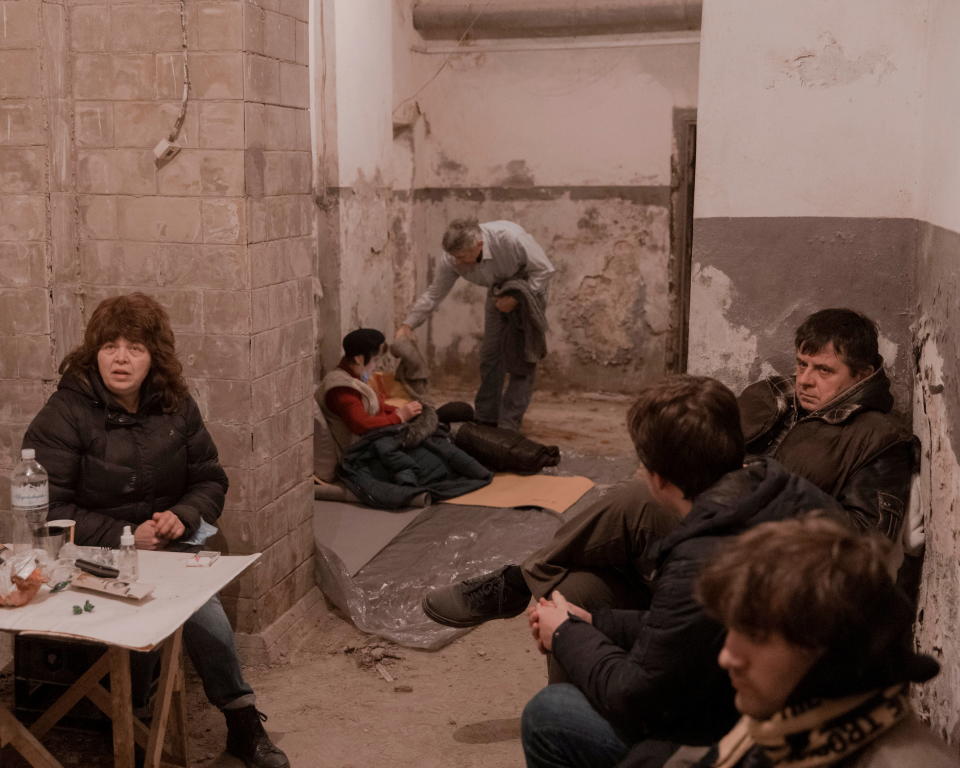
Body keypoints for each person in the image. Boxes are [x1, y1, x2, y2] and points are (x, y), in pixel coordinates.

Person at [422, 308, 914, 631]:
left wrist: (763, 490)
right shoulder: (775, 398)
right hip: (710, 518)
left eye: (823, 371)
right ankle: (586, 715)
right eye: (802, 364)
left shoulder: (878, 438)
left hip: (768, 556)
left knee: (638, 502)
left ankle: (512, 584)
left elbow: (869, 546)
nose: (805, 380)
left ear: (863, 376)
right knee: (575, 586)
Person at [519, 375, 845, 768]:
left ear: (655, 478)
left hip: (754, 736)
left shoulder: (702, 554)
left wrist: (566, 634)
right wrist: (596, 622)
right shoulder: (783, 488)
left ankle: (515, 583)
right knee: (581, 600)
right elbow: (691, 631)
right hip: (802, 710)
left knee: (551, 711)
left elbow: (637, 699)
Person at [23, 293, 288, 768]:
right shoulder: (64, 413)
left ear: (154, 357)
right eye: (110, 346)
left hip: (172, 543)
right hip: (92, 553)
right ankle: (134, 718)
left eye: (135, 347)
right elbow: (50, 511)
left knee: (202, 611)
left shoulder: (176, 405)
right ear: (94, 352)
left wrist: (183, 515)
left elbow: (210, 478)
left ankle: (243, 723)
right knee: (142, 620)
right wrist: (126, 534)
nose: (121, 358)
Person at [661, 515, 957, 768]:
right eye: (731, 628)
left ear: (831, 652)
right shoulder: (785, 725)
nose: (726, 657)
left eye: (755, 636)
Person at [396, 218, 555, 432]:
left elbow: (544, 270)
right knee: (490, 356)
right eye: (455, 257)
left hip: (529, 288)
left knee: (523, 358)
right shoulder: (452, 259)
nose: (458, 263)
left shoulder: (510, 239)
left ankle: (509, 424)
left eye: (463, 257)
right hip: (497, 290)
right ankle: (486, 419)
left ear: (478, 245)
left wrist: (516, 299)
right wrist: (408, 324)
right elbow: (434, 294)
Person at [321, 328, 423, 455]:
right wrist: (398, 417)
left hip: (374, 441)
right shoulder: (342, 388)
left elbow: (371, 405)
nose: (376, 366)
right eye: (375, 360)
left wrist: (400, 410)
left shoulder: (353, 377)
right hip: (360, 453)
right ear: (359, 359)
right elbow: (361, 424)